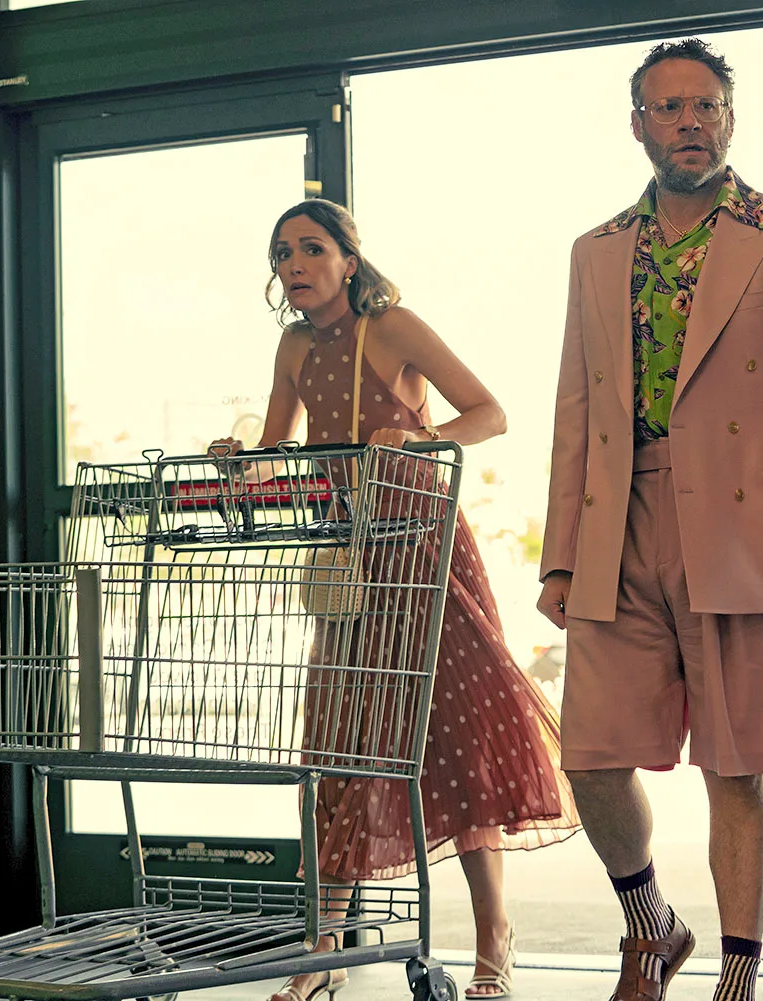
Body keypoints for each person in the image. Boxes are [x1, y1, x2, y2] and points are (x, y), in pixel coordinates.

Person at [536, 38, 763, 1001]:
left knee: (736, 764)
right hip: (619, 523)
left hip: (745, 523)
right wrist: (562, 554)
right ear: (637, 124)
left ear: (731, 118)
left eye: (706, 105)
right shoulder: (594, 250)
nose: (689, 121)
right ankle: (652, 923)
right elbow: (576, 408)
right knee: (592, 756)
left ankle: (738, 977)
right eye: (669, 107)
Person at [213, 197, 580, 1001]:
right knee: (344, 747)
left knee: (457, 743)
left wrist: (421, 435)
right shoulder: (294, 347)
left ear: (350, 259)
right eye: (282, 254)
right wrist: (243, 459)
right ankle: (322, 954)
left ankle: (495, 945)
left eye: (312, 249)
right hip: (352, 566)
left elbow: (491, 411)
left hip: (427, 557)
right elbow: (280, 455)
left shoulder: (396, 328)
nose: (295, 265)